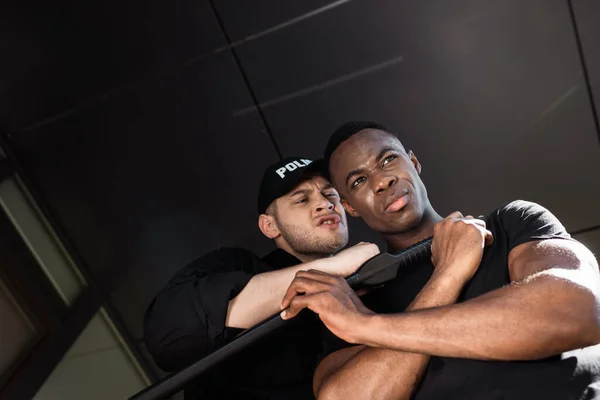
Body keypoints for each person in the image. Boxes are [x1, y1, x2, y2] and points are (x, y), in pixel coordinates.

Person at [281, 121, 600, 400]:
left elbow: (579, 311)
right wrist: (446, 276)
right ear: (350, 207)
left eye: (388, 159)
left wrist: (366, 327)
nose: (382, 182)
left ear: (414, 162)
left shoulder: (510, 223)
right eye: (358, 181)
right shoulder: (357, 302)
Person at [142, 156, 379, 400]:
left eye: (330, 195)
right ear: (270, 227)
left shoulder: (368, 290)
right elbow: (168, 339)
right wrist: (334, 267)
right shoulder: (238, 266)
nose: (325, 204)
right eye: (302, 199)